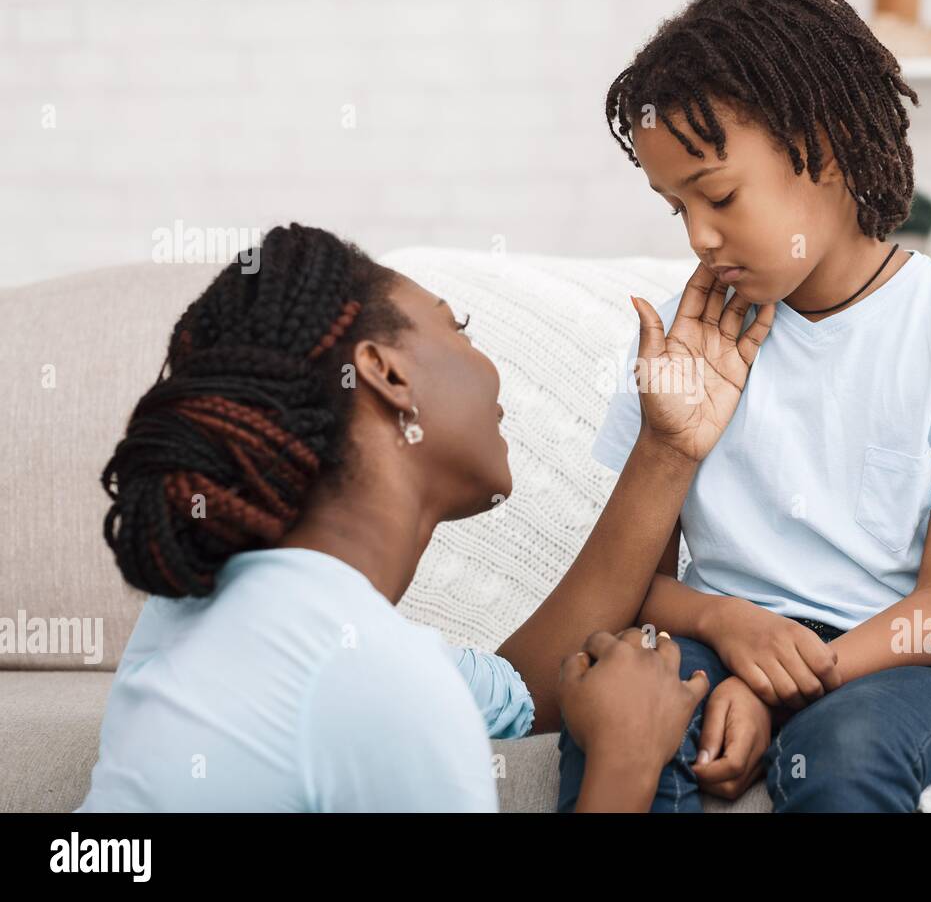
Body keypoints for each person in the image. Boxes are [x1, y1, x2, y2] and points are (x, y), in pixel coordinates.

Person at [557, 0, 931, 812]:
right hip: (722, 638)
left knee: (845, 750)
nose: (699, 237)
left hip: (905, 663)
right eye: (674, 208)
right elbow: (640, 581)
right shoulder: (695, 338)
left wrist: (779, 686)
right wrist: (727, 631)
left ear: (826, 145)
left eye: (717, 195)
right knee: (617, 705)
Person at [77, 222, 774, 812]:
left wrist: (668, 446)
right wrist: (625, 761)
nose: (487, 364)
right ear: (387, 375)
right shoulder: (376, 679)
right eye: (458, 328)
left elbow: (525, 689)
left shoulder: (214, 608)